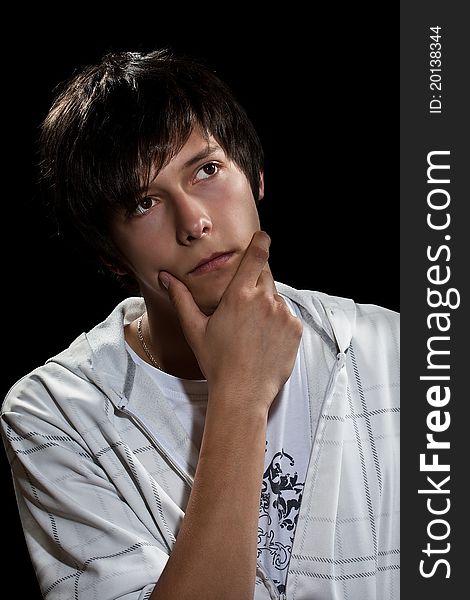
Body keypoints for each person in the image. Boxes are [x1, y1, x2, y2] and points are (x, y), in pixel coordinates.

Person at [1, 49, 399, 600]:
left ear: (255, 175)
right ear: (109, 254)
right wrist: (239, 392)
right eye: (144, 203)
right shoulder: (55, 412)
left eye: (207, 170)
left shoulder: (399, 350)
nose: (194, 222)